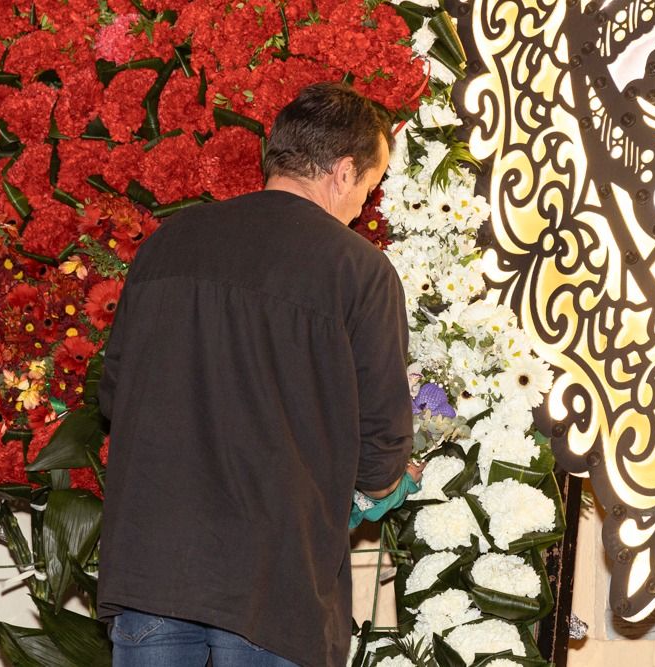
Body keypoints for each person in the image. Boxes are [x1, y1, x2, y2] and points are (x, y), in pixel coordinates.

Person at [97, 82, 421, 667]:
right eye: (369, 189)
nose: (362, 207)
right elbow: (382, 448)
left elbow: (115, 395)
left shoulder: (166, 246)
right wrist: (376, 490)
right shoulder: (359, 271)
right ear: (344, 173)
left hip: (153, 568)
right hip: (277, 583)